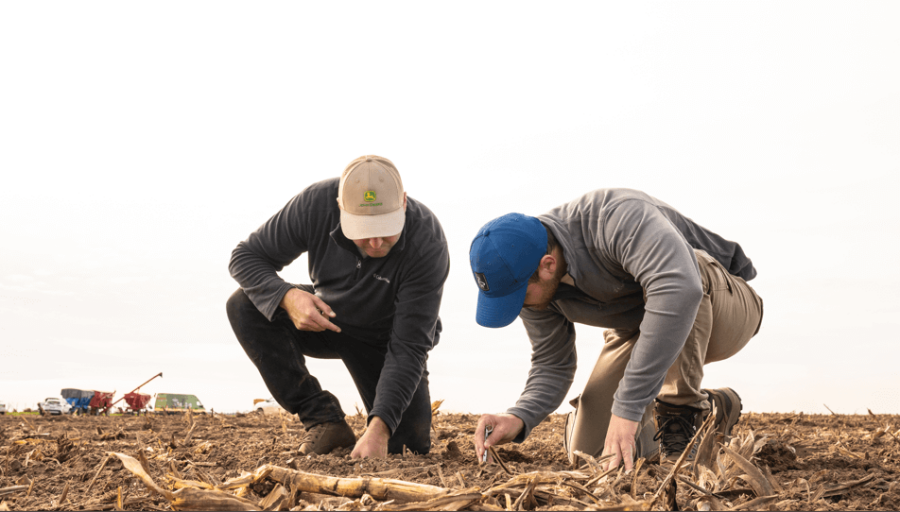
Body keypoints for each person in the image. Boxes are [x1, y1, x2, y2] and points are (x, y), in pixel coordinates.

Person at [468, 189, 763, 471]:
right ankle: (712, 410)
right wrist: (518, 417)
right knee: (591, 457)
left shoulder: (616, 218)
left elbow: (681, 290)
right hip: (638, 325)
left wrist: (628, 406)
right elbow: (552, 363)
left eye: (518, 297)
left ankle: (682, 412)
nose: (519, 306)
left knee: (680, 277)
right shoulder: (531, 285)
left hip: (727, 306)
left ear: (547, 265)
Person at [227, 155, 449, 458]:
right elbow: (245, 256)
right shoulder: (314, 205)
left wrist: (380, 428)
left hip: (387, 340)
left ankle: (384, 430)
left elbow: (409, 346)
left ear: (404, 203)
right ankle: (323, 419)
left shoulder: (427, 241)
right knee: (244, 305)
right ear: (340, 208)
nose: (374, 242)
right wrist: (287, 297)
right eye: (363, 229)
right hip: (329, 319)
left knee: (407, 448)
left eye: (386, 228)